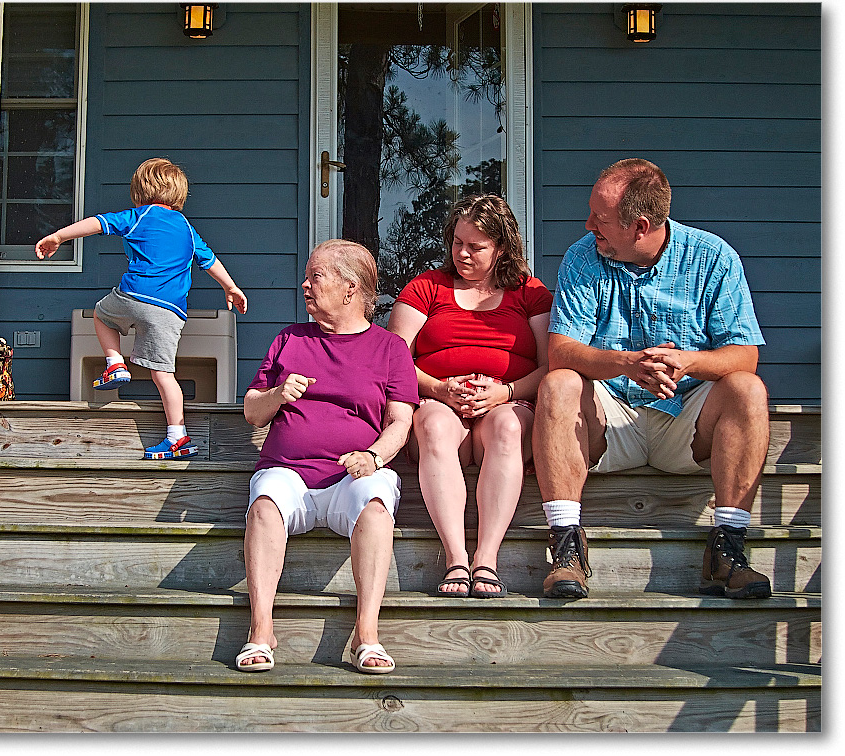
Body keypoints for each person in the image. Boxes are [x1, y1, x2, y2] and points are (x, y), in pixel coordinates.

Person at [533, 157, 771, 600]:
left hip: (686, 423)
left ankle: (729, 547)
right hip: (610, 420)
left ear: (639, 226)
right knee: (558, 382)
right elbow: (561, 350)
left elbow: (745, 354)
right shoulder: (583, 257)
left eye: (600, 219)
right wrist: (627, 364)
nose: (588, 225)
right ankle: (566, 546)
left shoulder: (713, 257)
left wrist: (688, 362)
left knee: (747, 388)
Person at [237, 239, 419, 675]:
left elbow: (401, 423)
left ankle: (366, 634)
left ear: (350, 288)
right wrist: (278, 395)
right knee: (263, 507)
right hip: (290, 474)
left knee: (376, 508)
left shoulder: (390, 349)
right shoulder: (289, 340)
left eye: (316, 276)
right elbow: (251, 412)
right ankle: (261, 631)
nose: (305, 285)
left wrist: (374, 457)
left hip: (352, 476)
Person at [387, 195, 552, 599]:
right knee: (431, 423)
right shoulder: (427, 287)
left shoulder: (529, 292)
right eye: (457, 242)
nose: (462, 253)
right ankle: (456, 557)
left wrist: (505, 392)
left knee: (507, 425)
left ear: (502, 248)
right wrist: (439, 389)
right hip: (441, 405)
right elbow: (393, 358)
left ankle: (487, 559)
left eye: (475, 246)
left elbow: (552, 366)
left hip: (508, 404)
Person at [35, 157, 247, 459]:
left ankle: (115, 364)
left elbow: (97, 223)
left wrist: (59, 236)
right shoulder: (187, 229)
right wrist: (231, 287)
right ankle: (178, 437)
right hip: (171, 311)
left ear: (140, 191)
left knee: (100, 314)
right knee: (164, 374)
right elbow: (209, 259)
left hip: (135, 296)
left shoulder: (139, 216)